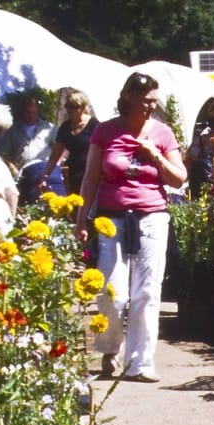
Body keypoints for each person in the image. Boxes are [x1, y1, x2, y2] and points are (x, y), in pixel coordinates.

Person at [77, 73, 187, 383]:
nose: (150, 106)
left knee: (147, 291)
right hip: (112, 217)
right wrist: (81, 218)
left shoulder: (162, 133)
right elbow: (90, 178)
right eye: (145, 101)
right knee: (113, 292)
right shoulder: (105, 131)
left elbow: (179, 178)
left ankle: (140, 363)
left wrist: (155, 156)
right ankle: (110, 348)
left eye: (154, 100)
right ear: (128, 97)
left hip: (152, 216)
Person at [42, 89, 96, 198]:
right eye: (68, 106)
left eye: (74, 106)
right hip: (73, 173)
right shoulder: (65, 127)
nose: (70, 110)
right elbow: (55, 154)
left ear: (83, 107)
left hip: (91, 174)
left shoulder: (94, 126)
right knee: (74, 206)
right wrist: (45, 175)